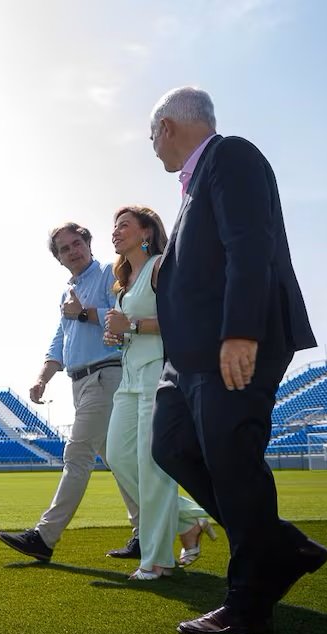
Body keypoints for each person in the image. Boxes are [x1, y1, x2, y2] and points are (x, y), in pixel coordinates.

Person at [146, 86, 327, 634]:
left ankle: (249, 602)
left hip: (233, 341)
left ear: (169, 127)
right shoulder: (193, 185)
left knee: (231, 458)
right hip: (190, 356)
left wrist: (241, 331)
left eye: (151, 135)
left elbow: (251, 243)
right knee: (172, 446)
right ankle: (281, 545)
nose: (152, 147)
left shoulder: (232, 156)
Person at [0, 223, 140, 563]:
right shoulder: (66, 292)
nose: (74, 251)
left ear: (89, 244)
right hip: (80, 381)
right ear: (59, 259)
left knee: (77, 455)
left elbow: (125, 315)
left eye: (78, 243)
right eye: (65, 248)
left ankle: (44, 537)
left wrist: (83, 313)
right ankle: (146, 532)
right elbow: (60, 339)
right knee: (119, 462)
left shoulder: (108, 272)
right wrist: (43, 378)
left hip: (107, 374)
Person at [101, 205, 215, 581]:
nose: (116, 232)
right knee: (118, 456)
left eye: (124, 226)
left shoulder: (161, 266)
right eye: (114, 227)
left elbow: (182, 320)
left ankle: (157, 561)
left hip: (156, 376)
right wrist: (118, 334)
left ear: (146, 232)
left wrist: (129, 324)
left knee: (151, 468)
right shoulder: (123, 280)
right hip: (129, 378)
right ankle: (189, 518)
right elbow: (129, 331)